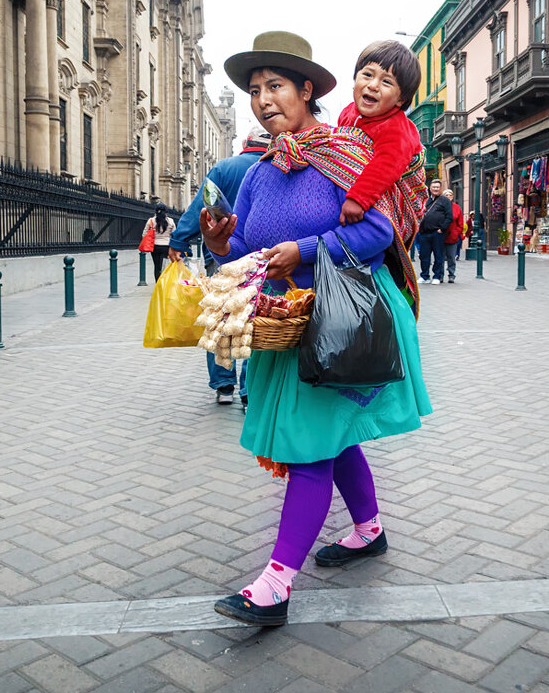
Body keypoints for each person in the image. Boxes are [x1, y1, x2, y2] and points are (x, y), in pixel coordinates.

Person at [203, 30, 431, 627]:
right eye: (255, 90)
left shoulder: (346, 155)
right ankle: (369, 530)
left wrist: (301, 249)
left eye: (275, 86)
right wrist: (223, 243)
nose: (263, 99)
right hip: (288, 323)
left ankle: (275, 585)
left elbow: (377, 235)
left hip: (339, 321)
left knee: (309, 449)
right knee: (333, 436)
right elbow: (252, 246)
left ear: (308, 92)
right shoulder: (258, 172)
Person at [168, 125, 271, 408]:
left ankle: (224, 384)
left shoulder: (225, 168)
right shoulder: (273, 167)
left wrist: (179, 239)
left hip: (223, 255)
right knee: (256, 319)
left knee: (221, 319)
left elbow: (200, 207)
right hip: (261, 259)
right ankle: (250, 388)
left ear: (245, 143)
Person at [334, 40, 424, 227]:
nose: (373, 85)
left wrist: (358, 198)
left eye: (386, 82)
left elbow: (387, 163)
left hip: (374, 203)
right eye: (367, 74)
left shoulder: (395, 127)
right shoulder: (347, 113)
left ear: (401, 99)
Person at [417, 179, 452, 284]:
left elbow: (449, 216)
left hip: (437, 233)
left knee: (438, 255)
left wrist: (442, 229)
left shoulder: (444, 200)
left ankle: (437, 276)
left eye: (437, 187)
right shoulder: (425, 200)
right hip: (424, 233)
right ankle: (425, 276)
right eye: (434, 187)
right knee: (424, 256)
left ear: (440, 188)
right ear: (430, 188)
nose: (436, 189)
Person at [144, 204, 177, 280]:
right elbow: (174, 234)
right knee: (164, 266)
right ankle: (163, 284)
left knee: (157, 266)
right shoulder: (170, 221)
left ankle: (158, 284)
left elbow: (144, 234)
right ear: (166, 212)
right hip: (166, 246)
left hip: (154, 246)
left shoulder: (151, 221)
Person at [443, 189, 465, 283]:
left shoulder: (456, 208)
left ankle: (451, 275)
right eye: (446, 195)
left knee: (451, 257)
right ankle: (439, 275)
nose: (448, 197)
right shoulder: (440, 206)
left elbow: (460, 224)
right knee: (440, 258)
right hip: (441, 236)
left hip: (452, 237)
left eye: (450, 195)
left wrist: (456, 232)